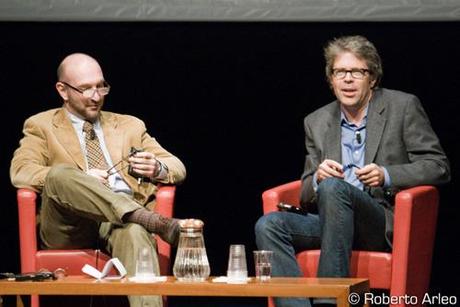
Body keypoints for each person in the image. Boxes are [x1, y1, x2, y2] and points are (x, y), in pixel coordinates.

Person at [255, 35, 450, 307]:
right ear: (330, 79)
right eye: (340, 72)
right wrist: (318, 177)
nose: (347, 79)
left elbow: (438, 166)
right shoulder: (317, 121)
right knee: (269, 225)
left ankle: (329, 302)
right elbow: (307, 191)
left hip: (378, 221)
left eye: (356, 71)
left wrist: (387, 174)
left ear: (372, 78)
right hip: (333, 221)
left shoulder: (402, 107)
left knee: (335, 189)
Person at [10, 53, 187, 307]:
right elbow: (21, 171)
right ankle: (150, 220)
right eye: (85, 89)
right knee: (60, 174)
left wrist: (156, 167)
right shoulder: (41, 125)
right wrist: (82, 179)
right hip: (70, 225)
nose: (96, 96)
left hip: (118, 224)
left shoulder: (129, 126)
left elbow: (176, 166)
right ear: (63, 90)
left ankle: (137, 220)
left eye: (100, 86)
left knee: (135, 231)